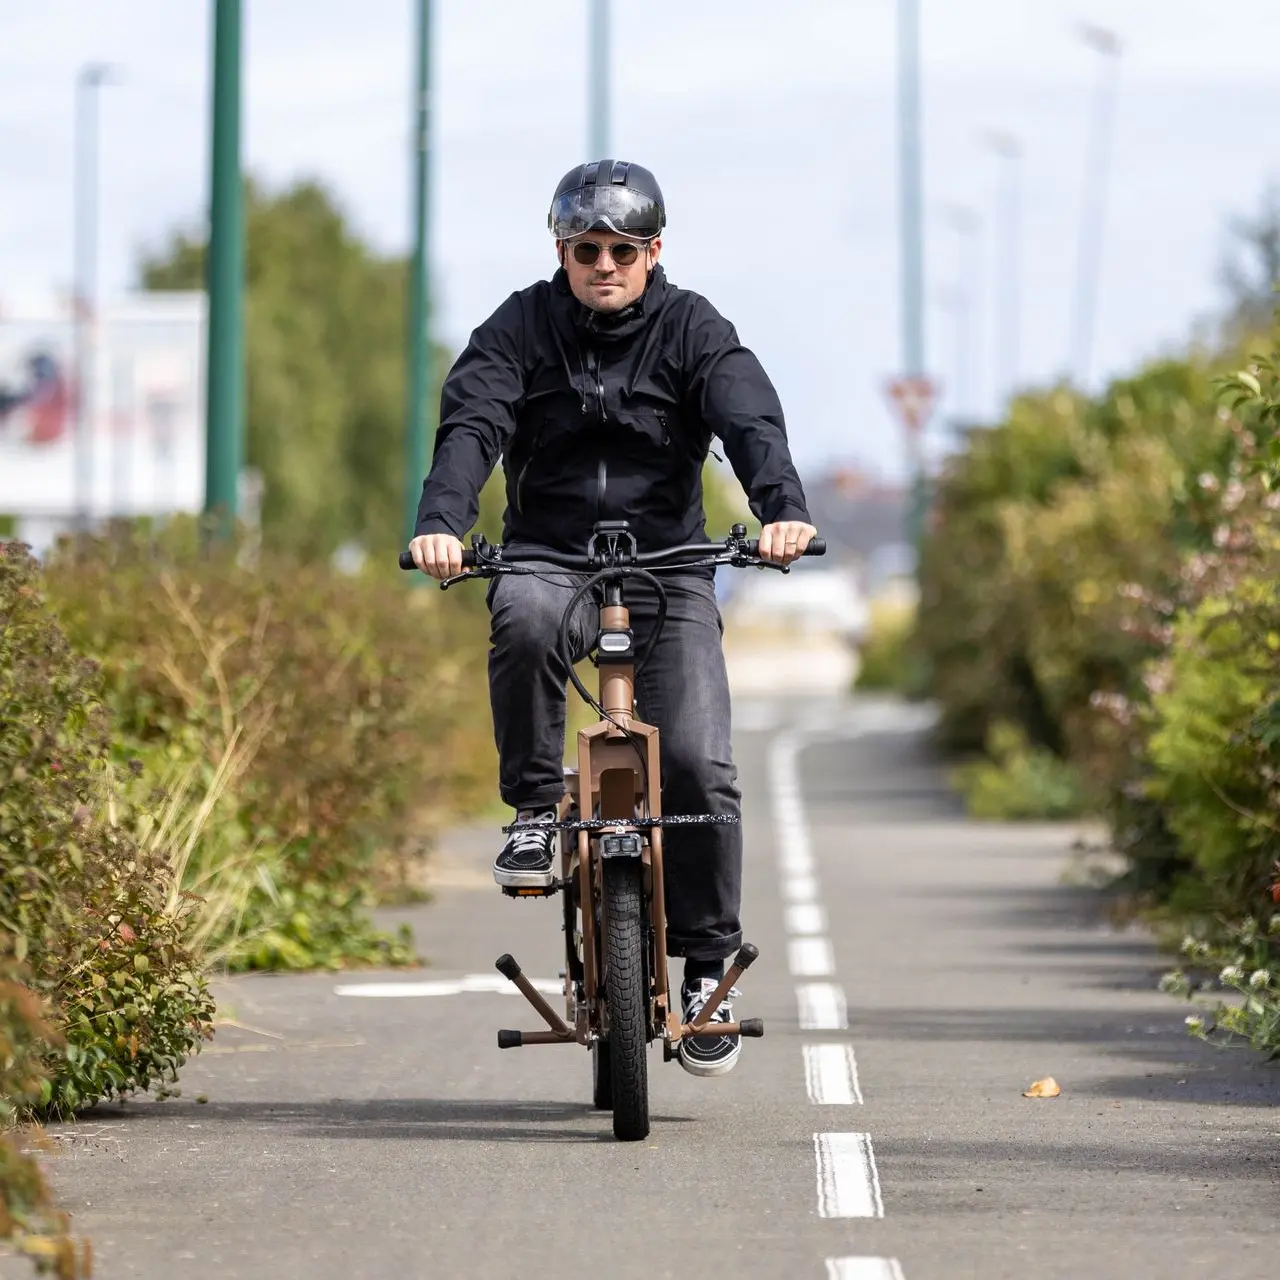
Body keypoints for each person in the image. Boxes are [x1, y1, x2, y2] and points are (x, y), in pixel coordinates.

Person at [408, 160, 816, 1075]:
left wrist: (779, 506)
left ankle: (710, 969)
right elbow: (472, 424)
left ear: (652, 251)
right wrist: (442, 523)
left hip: (669, 566)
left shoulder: (691, 328)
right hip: (550, 556)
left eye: (622, 250)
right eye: (585, 249)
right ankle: (531, 808)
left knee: (703, 762)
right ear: (561, 250)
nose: (604, 264)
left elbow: (748, 417)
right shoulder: (517, 328)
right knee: (519, 616)